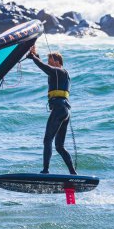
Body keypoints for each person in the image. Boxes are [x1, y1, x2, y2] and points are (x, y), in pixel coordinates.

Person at [27, 45, 77, 175]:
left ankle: (45, 171)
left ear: (58, 62)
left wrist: (33, 57)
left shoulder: (60, 71)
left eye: (51, 62)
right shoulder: (61, 75)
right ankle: (73, 173)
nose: (49, 64)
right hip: (65, 111)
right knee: (59, 146)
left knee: (47, 140)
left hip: (59, 109)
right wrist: (35, 55)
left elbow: (45, 67)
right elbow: (44, 66)